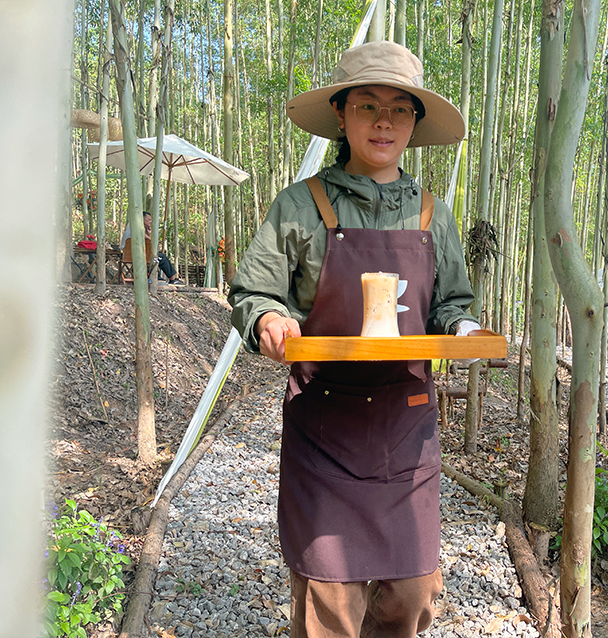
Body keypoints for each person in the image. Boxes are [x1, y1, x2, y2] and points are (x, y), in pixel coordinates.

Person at [229, 41, 480, 638]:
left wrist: (464, 329)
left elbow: (450, 304)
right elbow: (253, 292)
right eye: (367, 106)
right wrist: (267, 320)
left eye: (400, 108)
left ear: (416, 123)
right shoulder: (300, 205)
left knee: (413, 591)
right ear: (341, 116)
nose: (384, 120)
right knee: (329, 597)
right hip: (325, 425)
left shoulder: (431, 215)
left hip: (406, 424)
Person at [120, 211, 184, 285]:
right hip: (135, 255)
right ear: (142, 219)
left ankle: (157, 277)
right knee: (161, 257)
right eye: (149, 219)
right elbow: (152, 242)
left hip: (131, 255)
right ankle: (172, 279)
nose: (151, 221)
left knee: (157, 257)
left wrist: (149, 233)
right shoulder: (137, 229)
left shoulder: (133, 227)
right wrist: (150, 235)